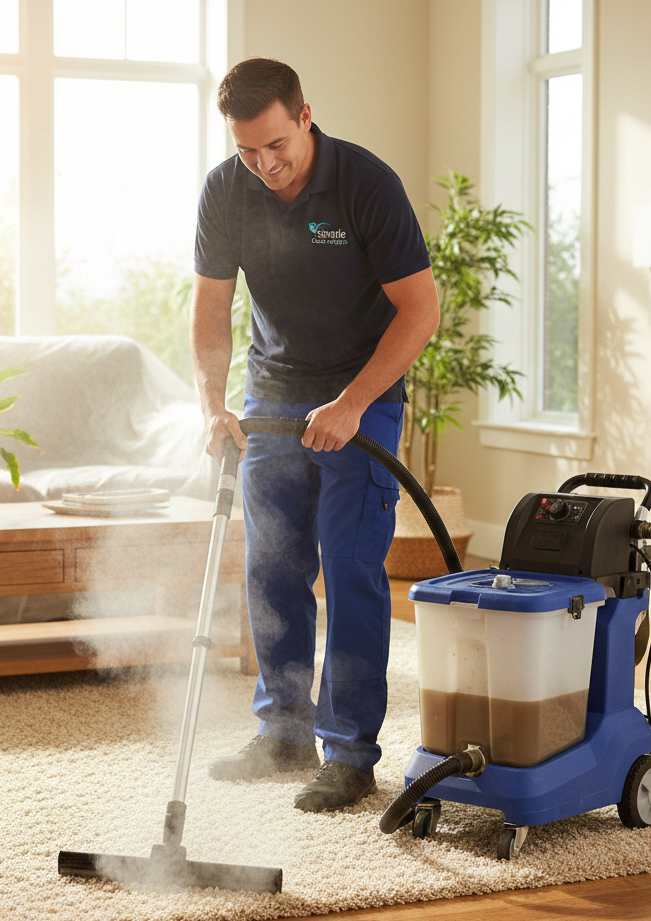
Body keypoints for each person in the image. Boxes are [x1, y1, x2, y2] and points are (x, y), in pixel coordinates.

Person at [190, 57, 440, 812]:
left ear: (305, 116)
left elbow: (419, 311)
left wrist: (354, 401)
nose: (264, 165)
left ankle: (351, 751)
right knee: (272, 564)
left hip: (361, 395)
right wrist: (210, 402)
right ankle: (285, 732)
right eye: (247, 151)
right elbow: (210, 308)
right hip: (272, 392)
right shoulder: (226, 190)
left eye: (276, 145)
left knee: (351, 564)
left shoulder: (366, 183)